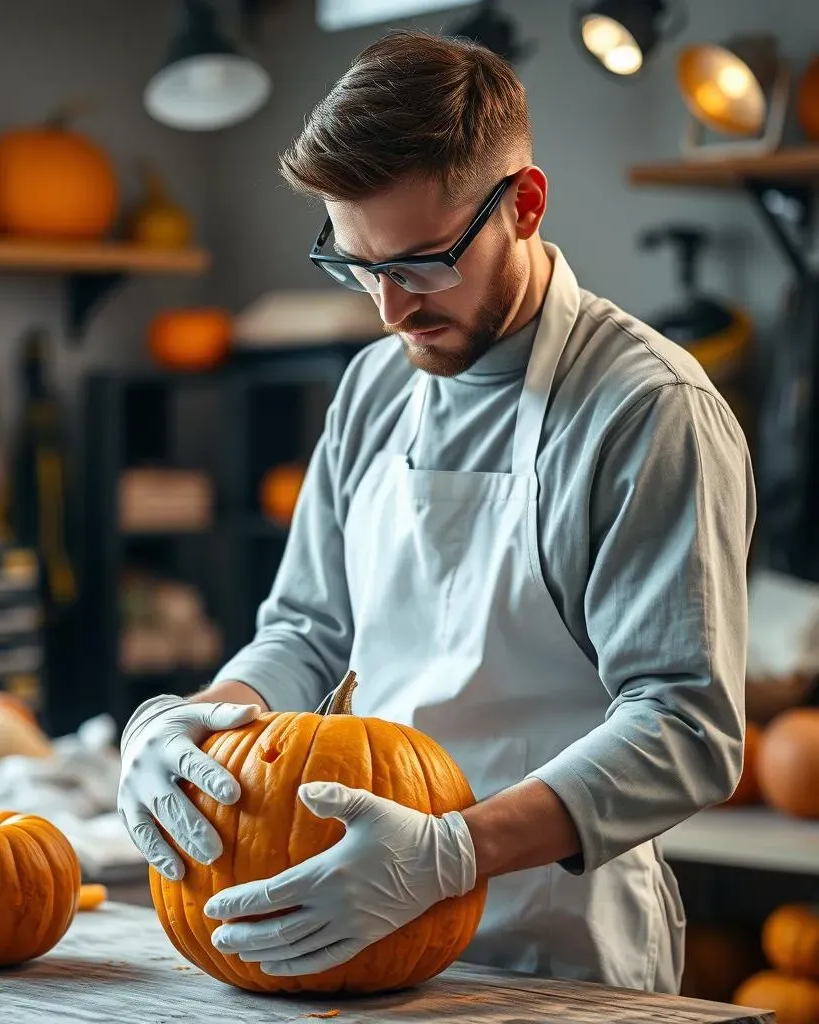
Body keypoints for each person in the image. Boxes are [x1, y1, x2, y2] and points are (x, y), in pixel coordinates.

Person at [117, 30, 755, 994]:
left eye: (420, 263)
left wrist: (448, 854)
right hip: (347, 934)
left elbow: (684, 726)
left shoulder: (646, 410)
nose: (388, 310)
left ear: (525, 206)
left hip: (555, 959)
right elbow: (309, 632)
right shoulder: (375, 387)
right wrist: (191, 725)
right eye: (357, 264)